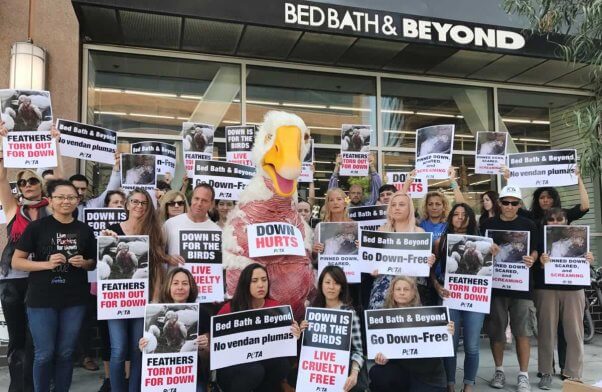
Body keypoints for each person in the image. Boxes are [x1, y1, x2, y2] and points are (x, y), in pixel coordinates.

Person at [12, 179, 97, 392]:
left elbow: (93, 262)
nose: (65, 201)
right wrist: (46, 264)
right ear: (50, 200)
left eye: (71, 197)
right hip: (42, 299)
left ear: (78, 200)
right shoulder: (37, 227)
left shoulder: (85, 230)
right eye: (60, 197)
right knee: (44, 353)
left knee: (66, 353)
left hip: (74, 299)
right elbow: (17, 261)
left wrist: (84, 262)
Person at [0, 121, 60, 392]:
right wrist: (3, 143)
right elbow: (1, 178)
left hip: (44, 280)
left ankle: (37, 386)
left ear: (41, 184)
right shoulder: (14, 209)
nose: (26, 185)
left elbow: (62, 181)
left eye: (32, 180)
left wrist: (54, 143)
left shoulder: (55, 208)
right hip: (13, 282)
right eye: (22, 182)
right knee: (17, 340)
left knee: (39, 340)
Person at [103, 188, 168, 392]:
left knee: (138, 349)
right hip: (115, 301)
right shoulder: (112, 229)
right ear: (127, 204)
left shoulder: (154, 232)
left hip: (143, 299)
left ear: (149, 207)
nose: (139, 206)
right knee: (118, 350)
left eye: (144, 203)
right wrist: (105, 239)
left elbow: (157, 268)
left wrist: (156, 299)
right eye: (135, 201)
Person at [480, 185, 539, 392]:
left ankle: (523, 375)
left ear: (519, 205)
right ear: (500, 203)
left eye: (514, 203)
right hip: (496, 287)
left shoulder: (529, 224)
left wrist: (532, 258)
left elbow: (536, 249)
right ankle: (499, 370)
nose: (509, 206)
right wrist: (488, 251)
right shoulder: (487, 224)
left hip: (521, 287)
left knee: (523, 332)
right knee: (496, 332)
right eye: (505, 202)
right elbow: (480, 251)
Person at [432, 203, 494, 392]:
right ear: (450, 217)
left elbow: (487, 267)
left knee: (472, 346)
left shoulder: (485, 242)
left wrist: (494, 253)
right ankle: (450, 384)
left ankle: (469, 385)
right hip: (451, 297)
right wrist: (437, 287)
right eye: (456, 214)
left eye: (464, 214)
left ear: (470, 218)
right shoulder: (441, 242)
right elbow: (431, 271)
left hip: (475, 298)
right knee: (449, 345)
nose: (459, 217)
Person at [216, 263, 302, 392]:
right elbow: (216, 342)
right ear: (246, 284)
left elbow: (284, 342)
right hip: (233, 368)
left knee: (282, 365)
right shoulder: (230, 308)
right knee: (255, 370)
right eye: (254, 281)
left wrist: (294, 335)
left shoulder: (275, 307)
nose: (261, 285)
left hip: (264, 363)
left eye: (264, 280)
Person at [533, 208, 594, 389]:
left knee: (575, 333)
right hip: (546, 289)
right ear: (546, 222)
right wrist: (540, 264)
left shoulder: (579, 239)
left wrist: (589, 259)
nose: (555, 222)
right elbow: (531, 267)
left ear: (567, 221)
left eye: (560, 219)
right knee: (546, 332)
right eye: (551, 219)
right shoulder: (541, 239)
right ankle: (545, 372)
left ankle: (573, 373)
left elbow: (584, 265)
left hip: (574, 289)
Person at [369, 276, 454, 392]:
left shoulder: (430, 315)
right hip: (399, 371)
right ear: (392, 293)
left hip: (426, 372)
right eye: (398, 289)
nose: (402, 293)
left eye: (406, 289)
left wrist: (447, 331)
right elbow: (380, 347)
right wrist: (380, 357)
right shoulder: (381, 318)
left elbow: (438, 346)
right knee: (378, 372)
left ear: (414, 293)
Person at [139, 268, 211, 392]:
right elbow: (148, 352)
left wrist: (205, 346)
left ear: (191, 287)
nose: (180, 287)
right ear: (168, 286)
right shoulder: (156, 315)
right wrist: (143, 346)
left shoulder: (202, 313)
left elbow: (209, 356)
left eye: (185, 283)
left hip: (192, 375)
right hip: (163, 376)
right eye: (175, 283)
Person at [369, 191, 435, 309]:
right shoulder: (381, 231)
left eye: (401, 205)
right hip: (383, 290)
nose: (397, 208)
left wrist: (429, 260)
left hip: (409, 290)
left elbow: (423, 267)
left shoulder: (419, 233)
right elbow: (373, 266)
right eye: (393, 205)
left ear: (410, 208)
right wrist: (372, 268)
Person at [304, 266, 365, 391]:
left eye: (336, 283)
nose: (331, 287)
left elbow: (358, 350)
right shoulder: (312, 310)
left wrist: (354, 374)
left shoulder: (349, 313)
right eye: (327, 282)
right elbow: (306, 348)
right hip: (316, 369)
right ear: (320, 285)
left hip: (340, 368)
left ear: (342, 287)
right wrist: (301, 331)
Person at [163, 184, 221, 266]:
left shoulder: (217, 231)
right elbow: (155, 253)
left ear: (211, 204)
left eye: (204, 200)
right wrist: (168, 258)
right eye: (196, 198)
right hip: (174, 277)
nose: (199, 203)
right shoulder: (170, 224)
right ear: (191, 199)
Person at [70, 152, 122, 221]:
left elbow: (111, 189)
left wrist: (117, 166)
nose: (80, 192)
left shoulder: (93, 205)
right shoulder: (60, 205)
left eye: (83, 189)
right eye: (76, 189)